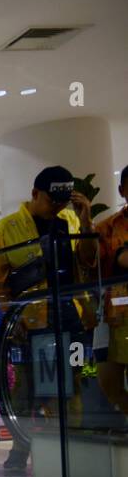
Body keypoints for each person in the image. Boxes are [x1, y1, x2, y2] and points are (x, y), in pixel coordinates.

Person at [0, 165, 98, 470]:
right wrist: (13, 321)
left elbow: (88, 261)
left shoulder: (71, 220)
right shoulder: (6, 230)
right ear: (35, 194)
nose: (58, 207)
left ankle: (66, 451)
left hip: (70, 318)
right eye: (52, 200)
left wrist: (85, 218)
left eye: (63, 201)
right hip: (29, 322)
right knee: (24, 389)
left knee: (70, 383)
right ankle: (22, 447)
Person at [95, 166, 128, 417]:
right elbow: (92, 267)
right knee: (108, 380)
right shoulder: (106, 228)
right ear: (122, 190)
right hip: (114, 316)